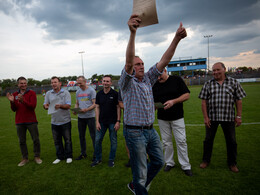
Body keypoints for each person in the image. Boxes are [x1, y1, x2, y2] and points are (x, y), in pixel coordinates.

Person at [119, 14, 187, 195]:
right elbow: (128, 63)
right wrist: (133, 33)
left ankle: (136, 186)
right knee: (140, 172)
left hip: (150, 130)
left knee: (158, 162)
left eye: (142, 63)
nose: (141, 66)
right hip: (134, 132)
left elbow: (165, 60)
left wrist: (177, 38)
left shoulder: (148, 79)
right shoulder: (127, 82)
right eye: (137, 64)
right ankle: (139, 188)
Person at [198, 62, 246, 173]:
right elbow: (203, 102)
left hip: (228, 118)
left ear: (224, 69)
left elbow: (239, 100)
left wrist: (238, 116)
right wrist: (206, 117)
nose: (215, 72)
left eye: (217, 69)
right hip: (212, 118)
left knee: (231, 141)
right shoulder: (208, 84)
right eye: (213, 70)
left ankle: (232, 163)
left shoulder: (233, 83)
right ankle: (205, 161)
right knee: (208, 140)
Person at [152, 69, 192, 176]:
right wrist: (154, 106)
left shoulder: (176, 80)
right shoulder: (155, 84)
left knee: (181, 141)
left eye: (160, 75)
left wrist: (173, 101)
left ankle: (185, 165)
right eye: (157, 76)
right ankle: (169, 163)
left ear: (165, 70)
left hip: (177, 117)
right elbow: (153, 101)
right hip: (162, 118)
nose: (159, 78)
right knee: (166, 142)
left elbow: (187, 95)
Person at [6, 77, 42, 166]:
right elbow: (14, 109)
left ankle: (37, 156)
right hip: (19, 121)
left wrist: (23, 100)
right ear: (18, 84)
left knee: (36, 140)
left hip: (31, 121)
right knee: (22, 141)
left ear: (27, 84)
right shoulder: (14, 94)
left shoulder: (32, 93)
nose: (23, 85)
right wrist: (12, 102)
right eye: (21, 83)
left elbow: (33, 106)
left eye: (25, 83)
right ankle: (25, 158)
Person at [91, 75, 121, 167]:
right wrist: (97, 122)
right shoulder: (99, 93)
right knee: (97, 140)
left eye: (108, 81)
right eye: (104, 81)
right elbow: (97, 107)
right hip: (102, 122)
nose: (106, 83)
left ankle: (111, 159)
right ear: (101, 82)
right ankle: (98, 159)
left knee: (113, 141)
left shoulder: (115, 94)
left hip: (113, 122)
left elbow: (118, 107)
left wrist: (118, 121)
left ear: (111, 83)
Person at [43, 76, 73, 164]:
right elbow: (45, 105)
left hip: (65, 121)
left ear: (59, 83)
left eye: (55, 82)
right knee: (57, 141)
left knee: (67, 140)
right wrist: (45, 106)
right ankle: (60, 157)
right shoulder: (48, 93)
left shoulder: (66, 93)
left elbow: (68, 106)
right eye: (52, 82)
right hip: (54, 121)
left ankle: (69, 156)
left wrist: (60, 106)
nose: (53, 84)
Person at [74, 76, 96, 161]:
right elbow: (77, 103)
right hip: (81, 117)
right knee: (81, 136)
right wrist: (76, 109)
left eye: (80, 82)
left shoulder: (91, 90)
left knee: (93, 136)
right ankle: (83, 153)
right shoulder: (78, 92)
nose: (79, 84)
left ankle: (95, 154)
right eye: (78, 83)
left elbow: (94, 104)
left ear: (85, 81)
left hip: (90, 117)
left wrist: (86, 109)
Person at [118, 89, 131, 167]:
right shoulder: (122, 89)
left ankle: (145, 158)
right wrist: (132, 108)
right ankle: (131, 159)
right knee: (127, 139)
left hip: (140, 120)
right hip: (127, 120)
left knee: (143, 139)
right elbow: (120, 104)